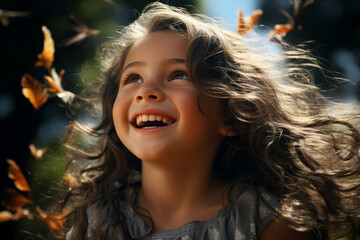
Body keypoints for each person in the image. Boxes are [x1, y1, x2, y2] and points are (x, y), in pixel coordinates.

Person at [62, 2, 360, 239]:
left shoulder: (273, 224)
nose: (146, 92)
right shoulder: (96, 221)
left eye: (179, 75)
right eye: (133, 78)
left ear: (231, 115)